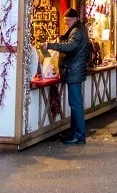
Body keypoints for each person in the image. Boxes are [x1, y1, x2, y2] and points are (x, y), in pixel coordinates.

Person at [46, 8, 89, 145]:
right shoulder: (78, 29)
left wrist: (51, 45)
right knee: (74, 104)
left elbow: (71, 46)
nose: (66, 24)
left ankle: (79, 135)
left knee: (75, 104)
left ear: (75, 19)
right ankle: (74, 132)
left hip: (73, 70)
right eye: (65, 21)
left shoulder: (77, 31)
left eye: (68, 21)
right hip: (74, 70)